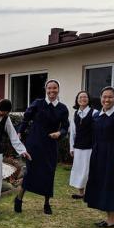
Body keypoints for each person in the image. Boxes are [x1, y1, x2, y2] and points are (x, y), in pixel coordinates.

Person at [14, 79, 70, 215]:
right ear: (46, 89)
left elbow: (65, 127)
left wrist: (59, 133)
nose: (52, 90)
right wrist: (20, 132)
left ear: (58, 90)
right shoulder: (38, 103)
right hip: (35, 142)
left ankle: (46, 203)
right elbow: (26, 118)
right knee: (31, 171)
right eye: (49, 88)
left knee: (49, 173)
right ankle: (19, 198)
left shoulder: (62, 108)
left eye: (54, 88)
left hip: (50, 144)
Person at [85, 86, 114, 228]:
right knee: (102, 184)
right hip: (99, 154)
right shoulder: (96, 116)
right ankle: (109, 219)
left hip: (113, 155)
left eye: (110, 97)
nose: (107, 99)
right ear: (100, 98)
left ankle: (113, 221)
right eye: (104, 96)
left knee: (111, 185)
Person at [69, 91, 98, 199]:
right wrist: (72, 147)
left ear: (89, 99)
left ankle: (91, 193)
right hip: (78, 148)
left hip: (90, 147)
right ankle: (81, 193)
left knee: (89, 170)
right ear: (77, 100)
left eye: (85, 97)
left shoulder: (95, 112)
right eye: (80, 97)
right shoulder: (75, 114)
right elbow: (73, 132)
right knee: (79, 169)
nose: (83, 99)